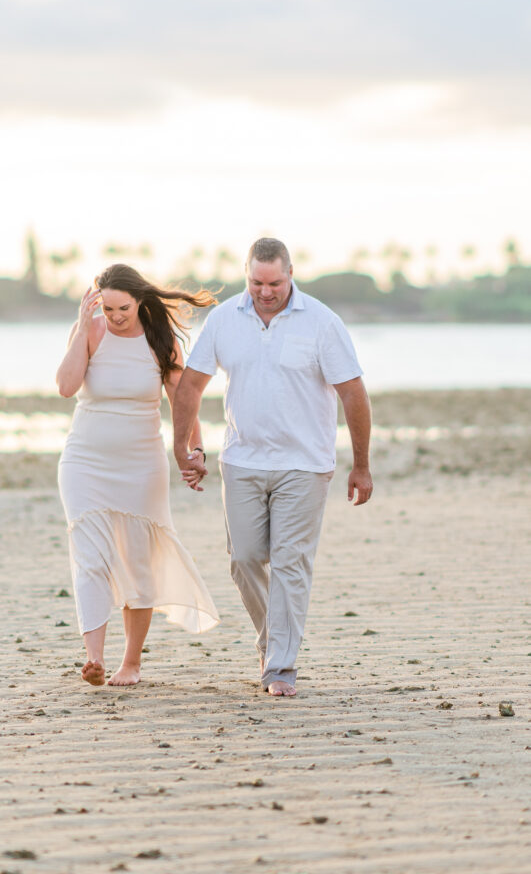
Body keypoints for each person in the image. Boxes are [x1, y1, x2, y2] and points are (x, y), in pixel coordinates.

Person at [172, 238, 373, 698]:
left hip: (305, 465)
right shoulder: (224, 319)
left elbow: (353, 394)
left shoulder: (322, 322)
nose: (265, 291)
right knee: (243, 558)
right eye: (256, 282)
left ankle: (280, 666)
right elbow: (190, 386)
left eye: (275, 282)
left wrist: (361, 464)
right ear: (247, 275)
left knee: (289, 562)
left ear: (290, 274)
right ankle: (273, 639)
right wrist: (184, 448)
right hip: (242, 460)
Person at [56, 264, 219, 688]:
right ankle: (93, 659)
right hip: (84, 461)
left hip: (142, 464)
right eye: (106, 308)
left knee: (137, 562)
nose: (115, 316)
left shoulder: (159, 341)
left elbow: (183, 403)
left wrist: (191, 451)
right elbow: (65, 386)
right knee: (90, 555)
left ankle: (130, 664)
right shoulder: (91, 332)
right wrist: (79, 328)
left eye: (122, 308)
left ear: (140, 301)